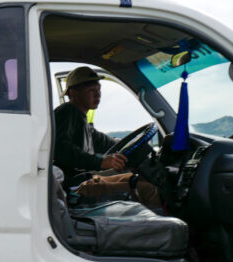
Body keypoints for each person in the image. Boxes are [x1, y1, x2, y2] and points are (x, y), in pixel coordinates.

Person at [52, 65, 160, 206]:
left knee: (136, 179)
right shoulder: (68, 111)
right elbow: (61, 149)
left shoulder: (82, 121)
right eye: (91, 91)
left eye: (98, 90)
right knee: (148, 189)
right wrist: (101, 161)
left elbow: (107, 142)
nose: (97, 95)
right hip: (72, 187)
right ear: (73, 93)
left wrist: (131, 146)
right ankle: (162, 227)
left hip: (83, 180)